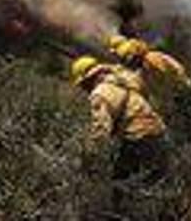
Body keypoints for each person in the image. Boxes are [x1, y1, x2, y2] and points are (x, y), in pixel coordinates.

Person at [70, 55, 168, 206]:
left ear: (88, 79)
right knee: (158, 187)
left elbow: (101, 131)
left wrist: (88, 158)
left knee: (119, 187)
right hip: (159, 133)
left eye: (83, 85)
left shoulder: (99, 94)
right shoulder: (124, 78)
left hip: (139, 138)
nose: (84, 90)